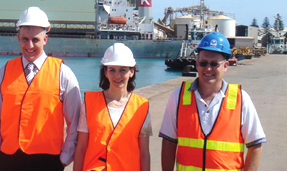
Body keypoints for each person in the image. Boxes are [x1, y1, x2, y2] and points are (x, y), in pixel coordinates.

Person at [0, 6, 82, 171]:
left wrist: (65, 158)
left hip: (47, 162)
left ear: (45, 39)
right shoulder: (5, 71)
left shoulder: (63, 73)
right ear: (18, 38)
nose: (29, 45)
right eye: (25, 39)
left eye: (35, 40)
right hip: (7, 161)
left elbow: (75, 121)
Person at [159, 32, 266, 171]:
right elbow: (168, 142)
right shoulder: (177, 97)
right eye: (203, 63)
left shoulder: (241, 99)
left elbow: (255, 144)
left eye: (214, 64)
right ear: (197, 64)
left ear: (226, 66)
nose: (208, 69)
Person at [73, 43, 152, 171]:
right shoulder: (89, 102)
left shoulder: (142, 107)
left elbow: (144, 153)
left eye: (122, 70)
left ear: (131, 72)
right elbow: (81, 149)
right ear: (105, 72)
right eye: (112, 70)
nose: (117, 76)